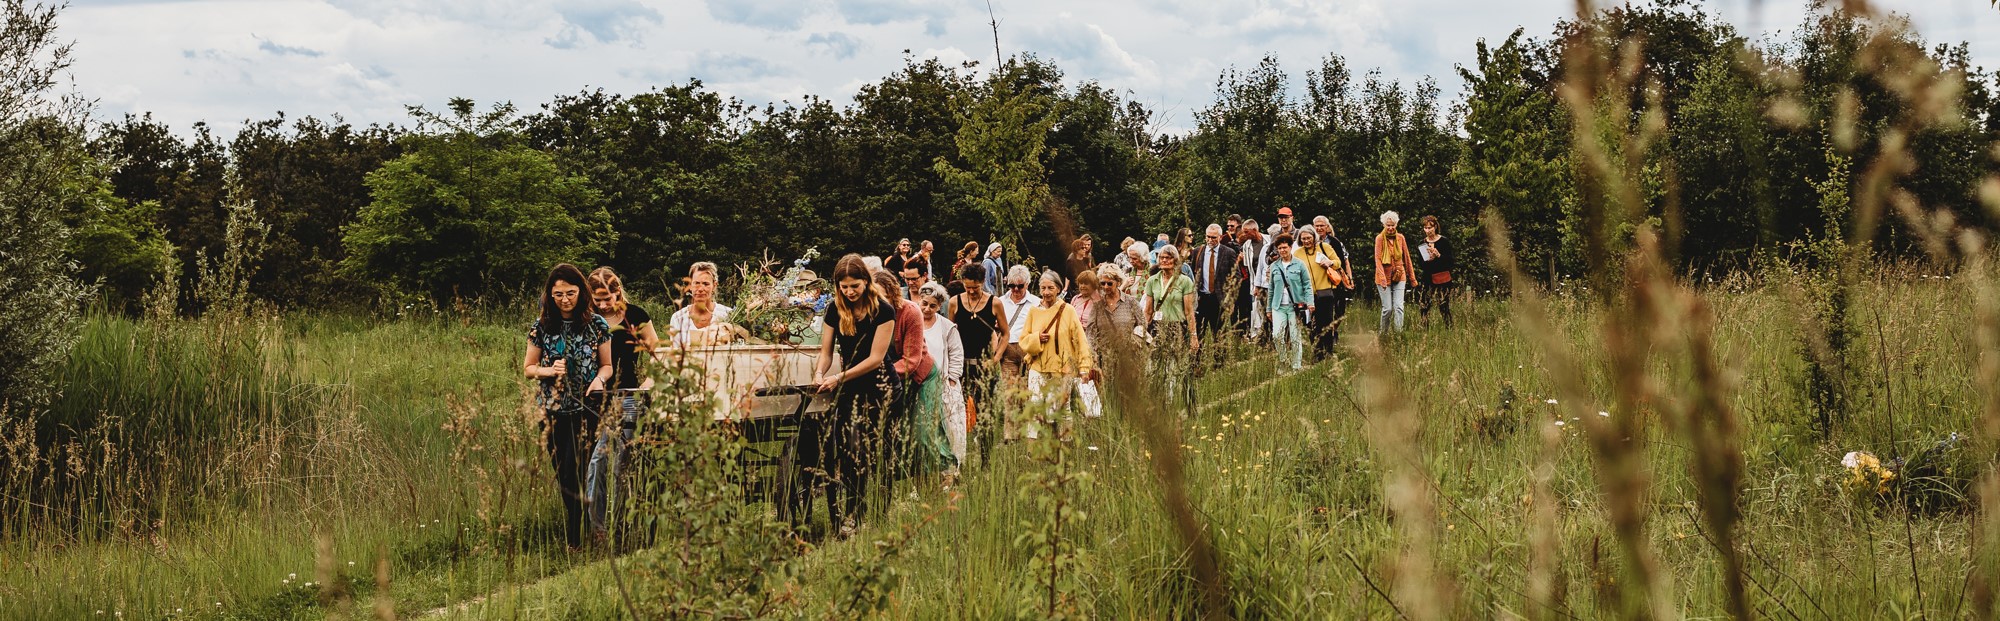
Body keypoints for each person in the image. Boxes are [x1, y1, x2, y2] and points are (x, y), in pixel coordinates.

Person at [805, 255, 898, 537]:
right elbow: (826, 352)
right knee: (850, 452)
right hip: (849, 388)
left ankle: (879, 512)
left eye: (854, 286)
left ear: (866, 282)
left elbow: (875, 358)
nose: (850, 292)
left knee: (878, 452)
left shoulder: (883, 310)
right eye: (844, 287)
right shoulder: (834, 309)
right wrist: (820, 373)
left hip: (881, 386)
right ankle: (853, 513)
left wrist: (837, 377)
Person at [521, 263, 614, 549]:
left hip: (587, 408)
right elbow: (528, 368)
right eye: (558, 294)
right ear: (549, 295)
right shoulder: (541, 327)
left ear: (580, 293)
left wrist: (599, 380)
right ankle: (578, 533)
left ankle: (578, 539)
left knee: (582, 472)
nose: (565, 299)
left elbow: (607, 365)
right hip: (551, 410)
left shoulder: (597, 324)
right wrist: (549, 371)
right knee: (564, 475)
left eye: (570, 293)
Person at [583, 267, 655, 534]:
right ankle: (597, 530)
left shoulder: (636, 315)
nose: (602, 304)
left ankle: (624, 526)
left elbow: (660, 355)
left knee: (623, 461)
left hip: (628, 396)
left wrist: (648, 382)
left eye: (608, 298)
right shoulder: (586, 319)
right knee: (597, 462)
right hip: (596, 398)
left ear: (618, 291)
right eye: (597, 299)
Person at [873, 270, 939, 481]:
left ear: (892, 293)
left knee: (921, 432)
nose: (877, 300)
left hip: (920, 375)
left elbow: (912, 360)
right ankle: (899, 473)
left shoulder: (910, 312)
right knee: (894, 429)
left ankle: (932, 477)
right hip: (888, 376)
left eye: (881, 295)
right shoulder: (870, 313)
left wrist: (878, 373)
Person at [1020, 269, 1096, 436]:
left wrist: (1084, 367)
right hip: (1038, 367)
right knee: (1036, 405)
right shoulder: (1034, 311)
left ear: (1059, 289)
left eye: (1050, 288)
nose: (1046, 292)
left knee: (1061, 407)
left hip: (1062, 368)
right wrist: (1037, 338)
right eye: (1043, 288)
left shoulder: (1068, 310)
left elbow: (1080, 340)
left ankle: (1063, 445)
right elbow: (1024, 340)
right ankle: (1034, 449)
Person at [947, 262, 1007, 460]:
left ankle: (985, 459)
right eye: (967, 287)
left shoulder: (995, 303)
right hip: (961, 365)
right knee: (958, 413)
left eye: (975, 287)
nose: (971, 291)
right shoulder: (955, 302)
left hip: (984, 366)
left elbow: (1005, 334)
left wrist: (996, 358)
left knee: (984, 413)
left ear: (983, 283)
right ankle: (958, 457)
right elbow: (950, 333)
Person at [917, 283, 967, 475]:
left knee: (949, 427)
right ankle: (926, 469)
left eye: (932, 306)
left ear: (939, 307)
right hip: (919, 383)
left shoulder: (947, 326)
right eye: (924, 304)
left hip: (943, 382)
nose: (927, 309)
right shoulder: (912, 322)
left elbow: (956, 353)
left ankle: (951, 469)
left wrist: (952, 379)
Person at [995, 264, 1040, 438]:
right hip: (1007, 350)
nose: (1015, 289)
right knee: (1010, 393)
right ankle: (1011, 435)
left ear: (1027, 284)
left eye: (1020, 286)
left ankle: (1031, 432)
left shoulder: (1036, 302)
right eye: (1011, 285)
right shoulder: (1000, 301)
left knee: (1030, 392)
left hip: (1029, 351)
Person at [1311, 215, 1358, 356]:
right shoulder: (1309, 242)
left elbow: (1344, 260)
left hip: (1335, 280)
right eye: (1317, 226)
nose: (1319, 228)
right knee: (1320, 314)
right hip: (1318, 283)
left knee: (1339, 311)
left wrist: (1349, 277)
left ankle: (1333, 331)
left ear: (1327, 227)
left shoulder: (1335, 242)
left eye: (1322, 226)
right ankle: (1322, 341)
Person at [1267, 234, 1314, 372]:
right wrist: (1268, 309)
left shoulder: (1299, 264)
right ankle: (1283, 360)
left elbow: (1307, 284)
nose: (1282, 250)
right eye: (1279, 248)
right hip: (1278, 306)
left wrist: (1310, 302)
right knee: (1277, 336)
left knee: (1295, 336)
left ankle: (1296, 365)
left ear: (1290, 247)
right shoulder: (1274, 266)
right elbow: (1271, 289)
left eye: (1284, 247)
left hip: (1295, 306)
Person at [1294, 228, 1343, 356]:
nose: (1306, 241)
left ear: (1314, 237)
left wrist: (1330, 262)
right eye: (1303, 239)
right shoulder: (1297, 253)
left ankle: (1328, 352)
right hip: (1307, 295)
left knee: (1326, 323)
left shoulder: (1324, 247)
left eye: (1309, 238)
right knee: (1311, 324)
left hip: (1325, 291)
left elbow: (1338, 263)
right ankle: (1317, 352)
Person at [669, 262, 733, 349]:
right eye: (696, 283)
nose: (700, 289)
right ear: (690, 285)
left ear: (714, 286)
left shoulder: (728, 315)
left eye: (706, 284)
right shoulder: (678, 319)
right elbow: (675, 354)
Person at [1375, 211, 1417, 335]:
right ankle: (1383, 334)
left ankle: (1398, 335)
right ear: (1384, 225)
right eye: (1388, 225)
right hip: (1383, 277)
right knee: (1387, 309)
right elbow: (1377, 259)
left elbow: (1407, 257)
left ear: (1396, 224)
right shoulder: (1379, 238)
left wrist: (1412, 278)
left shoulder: (1400, 238)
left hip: (1400, 275)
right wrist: (1382, 278)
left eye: (1393, 225)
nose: (1390, 228)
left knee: (1399, 306)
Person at [1192, 224, 1238, 337]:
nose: (1210, 240)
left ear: (1220, 237)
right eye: (1208, 237)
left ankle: (1219, 354)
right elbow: (1193, 273)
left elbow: (1236, 276)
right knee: (1198, 333)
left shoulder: (1228, 252)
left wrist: (1229, 297)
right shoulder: (1198, 251)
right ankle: (1197, 354)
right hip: (1201, 298)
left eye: (1214, 237)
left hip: (1219, 299)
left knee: (1219, 335)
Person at [1413, 215, 1455, 327]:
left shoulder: (1444, 242)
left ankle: (1449, 329)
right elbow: (1420, 264)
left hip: (1442, 277)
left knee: (1443, 306)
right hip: (1428, 278)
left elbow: (1450, 262)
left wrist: (1438, 255)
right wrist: (1428, 260)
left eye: (1430, 228)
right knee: (1424, 306)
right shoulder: (1422, 244)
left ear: (1435, 227)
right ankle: (1424, 329)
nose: (1428, 231)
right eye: (1425, 228)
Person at [1236, 217, 1270, 340]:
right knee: (1258, 310)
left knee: (1270, 310)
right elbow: (1247, 266)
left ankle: (1273, 336)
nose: (1244, 234)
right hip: (1256, 283)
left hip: (1270, 282)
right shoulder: (1246, 245)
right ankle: (1263, 336)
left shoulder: (1269, 240)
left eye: (1246, 232)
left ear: (1255, 230)